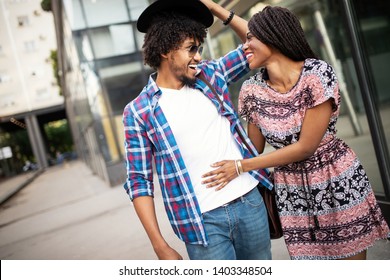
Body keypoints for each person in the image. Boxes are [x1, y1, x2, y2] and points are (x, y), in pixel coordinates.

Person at [201, 6, 390, 260]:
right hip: (292, 194)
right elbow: (252, 149)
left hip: (335, 180)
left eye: (250, 38)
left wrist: (240, 166)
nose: (244, 46)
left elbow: (305, 147)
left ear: (272, 36)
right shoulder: (251, 90)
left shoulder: (316, 74)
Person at [123, 0, 272, 260]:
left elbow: (260, 42)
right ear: (166, 51)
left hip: (249, 201)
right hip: (202, 223)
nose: (199, 57)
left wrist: (215, 8)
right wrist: (160, 245)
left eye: (199, 48)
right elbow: (139, 182)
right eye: (191, 49)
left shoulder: (210, 75)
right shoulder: (139, 111)